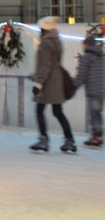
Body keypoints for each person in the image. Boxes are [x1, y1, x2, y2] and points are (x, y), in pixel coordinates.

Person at [30, 16, 75, 153]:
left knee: (39, 110)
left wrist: (38, 83)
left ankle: (43, 140)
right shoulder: (57, 41)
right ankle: (69, 140)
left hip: (47, 83)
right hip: (58, 80)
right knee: (58, 112)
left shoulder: (45, 43)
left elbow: (45, 65)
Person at [74, 36, 105, 147]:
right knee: (98, 113)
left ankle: (96, 138)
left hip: (93, 89)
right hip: (102, 89)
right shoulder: (102, 56)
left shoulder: (86, 57)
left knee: (94, 114)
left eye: (83, 44)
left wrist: (73, 87)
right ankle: (98, 136)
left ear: (87, 44)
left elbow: (81, 75)